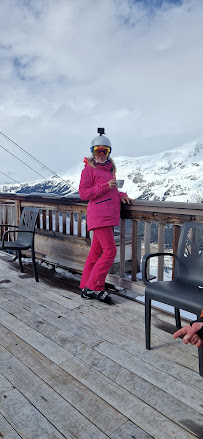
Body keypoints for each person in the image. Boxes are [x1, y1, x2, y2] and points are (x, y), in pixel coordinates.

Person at [79, 128, 131, 305]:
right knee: (110, 251)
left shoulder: (110, 170)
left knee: (96, 252)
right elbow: (84, 194)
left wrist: (121, 193)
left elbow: (112, 191)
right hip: (99, 216)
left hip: (108, 216)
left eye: (104, 151)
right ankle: (95, 287)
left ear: (109, 152)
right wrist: (106, 187)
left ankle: (86, 286)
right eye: (97, 151)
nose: (101, 154)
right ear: (92, 152)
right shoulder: (89, 170)